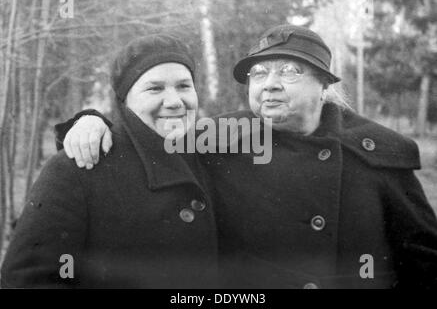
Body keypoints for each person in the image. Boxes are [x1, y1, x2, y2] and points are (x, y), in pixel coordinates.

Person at [41, 25, 437, 288]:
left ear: (325, 86)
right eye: (259, 74)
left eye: (289, 72)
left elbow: (424, 261)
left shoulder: (376, 152)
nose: (270, 85)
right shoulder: (224, 136)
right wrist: (92, 121)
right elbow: (150, 130)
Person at [0, 34, 219, 288]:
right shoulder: (78, 168)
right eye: (154, 88)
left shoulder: (213, 155)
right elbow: (25, 280)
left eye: (183, 86)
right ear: (125, 100)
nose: (174, 101)